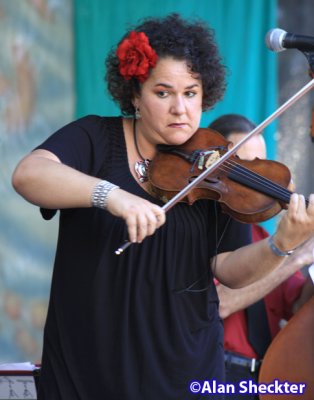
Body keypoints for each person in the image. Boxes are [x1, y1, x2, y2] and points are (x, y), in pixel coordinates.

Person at [11, 14, 314, 400]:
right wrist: (111, 195)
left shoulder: (222, 166)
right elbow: (29, 174)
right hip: (88, 370)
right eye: (163, 93)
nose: (180, 109)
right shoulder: (95, 138)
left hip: (182, 371)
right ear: (135, 94)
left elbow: (232, 270)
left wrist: (280, 245)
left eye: (191, 93)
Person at [209, 114, 314, 399]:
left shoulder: (261, 237)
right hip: (220, 375)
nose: (259, 183)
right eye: (244, 168)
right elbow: (222, 304)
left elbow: (297, 305)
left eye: (264, 168)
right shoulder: (206, 232)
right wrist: (296, 255)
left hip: (267, 378)